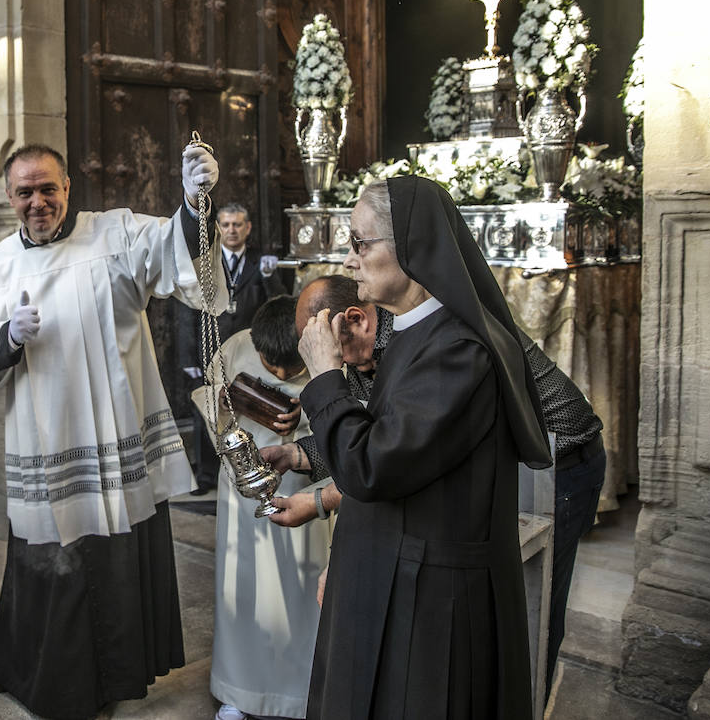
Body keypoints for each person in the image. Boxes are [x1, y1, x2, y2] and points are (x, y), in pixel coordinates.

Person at [0, 141, 222, 720]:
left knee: (109, 551)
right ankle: (26, 666)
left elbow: (177, 256)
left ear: (68, 187)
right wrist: (6, 338)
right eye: (25, 192)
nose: (38, 202)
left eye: (49, 188)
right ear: (9, 197)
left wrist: (196, 204)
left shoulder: (114, 234)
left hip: (114, 436)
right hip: (43, 442)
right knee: (41, 554)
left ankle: (106, 680)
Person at [265, 273, 606, 695]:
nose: (340, 365)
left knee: (530, 619)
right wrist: (296, 454)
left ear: (356, 320)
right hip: (485, 458)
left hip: (560, 460)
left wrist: (321, 502)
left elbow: (395, 454)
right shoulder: (361, 350)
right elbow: (369, 431)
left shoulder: (427, 344)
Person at [294, 176, 552, 719]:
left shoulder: (460, 350)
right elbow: (391, 443)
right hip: (396, 579)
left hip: (432, 609)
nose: (349, 259)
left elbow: (371, 466)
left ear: (410, 246)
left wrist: (324, 377)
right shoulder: (419, 334)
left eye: (360, 243)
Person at [190, 294, 329, 720]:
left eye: (291, 367)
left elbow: (350, 419)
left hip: (306, 491)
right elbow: (210, 402)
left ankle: (304, 693)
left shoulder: (327, 355)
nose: (283, 374)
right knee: (244, 594)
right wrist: (241, 404)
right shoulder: (235, 346)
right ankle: (241, 691)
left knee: (304, 597)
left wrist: (305, 413)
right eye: (271, 364)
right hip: (243, 492)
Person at [175, 203, 283, 493]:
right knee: (208, 411)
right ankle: (208, 476)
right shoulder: (205, 263)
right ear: (218, 228)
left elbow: (277, 303)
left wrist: (271, 275)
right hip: (211, 350)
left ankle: (252, 467)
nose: (232, 230)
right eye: (226, 224)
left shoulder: (262, 261)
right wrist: (188, 356)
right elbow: (188, 311)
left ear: (247, 228)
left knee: (249, 411)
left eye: (237, 224)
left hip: (249, 352)